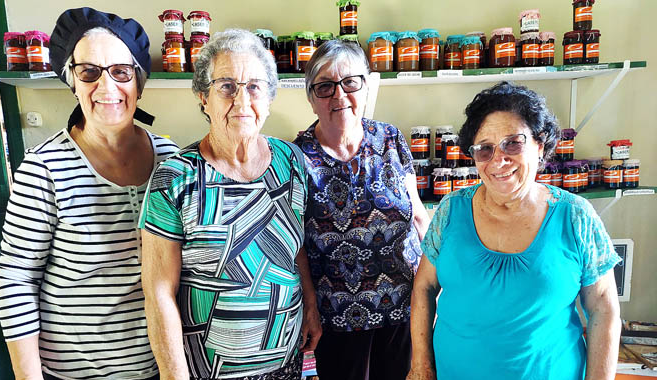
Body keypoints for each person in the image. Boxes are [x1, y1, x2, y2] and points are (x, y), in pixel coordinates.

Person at [0, 7, 178, 380]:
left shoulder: (170, 161)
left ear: (138, 83)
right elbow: (16, 278)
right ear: (71, 80)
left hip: (160, 367)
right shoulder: (43, 169)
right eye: (90, 72)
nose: (107, 88)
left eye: (121, 72)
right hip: (74, 372)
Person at [139, 28, 321, 380]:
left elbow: (296, 252)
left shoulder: (292, 162)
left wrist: (311, 306)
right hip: (209, 370)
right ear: (203, 98)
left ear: (268, 98)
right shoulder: (174, 178)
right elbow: (159, 291)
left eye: (254, 86)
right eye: (226, 86)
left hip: (286, 363)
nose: (241, 101)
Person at [408, 81, 622, 380]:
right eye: (485, 149)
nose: (499, 159)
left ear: (539, 145)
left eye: (513, 143)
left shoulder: (575, 216)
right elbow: (424, 288)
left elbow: (603, 309)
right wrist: (421, 367)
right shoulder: (450, 210)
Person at [293, 40, 430, 380]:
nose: (339, 96)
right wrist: (309, 307)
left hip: (403, 307)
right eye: (324, 86)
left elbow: (417, 216)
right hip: (338, 317)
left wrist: (434, 289)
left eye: (350, 82)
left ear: (366, 86)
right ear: (311, 99)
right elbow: (296, 247)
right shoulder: (295, 158)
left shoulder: (392, 140)